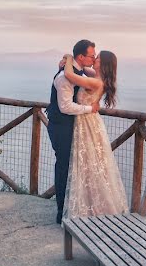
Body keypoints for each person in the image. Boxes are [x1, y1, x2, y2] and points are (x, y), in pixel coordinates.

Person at [61, 50, 129, 220]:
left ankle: (96, 209)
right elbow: (82, 69)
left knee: (91, 164)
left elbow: (70, 74)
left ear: (103, 63)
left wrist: (69, 57)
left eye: (97, 58)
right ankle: (93, 206)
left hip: (88, 123)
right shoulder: (98, 77)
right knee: (91, 165)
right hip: (89, 121)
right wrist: (67, 61)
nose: (94, 59)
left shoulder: (96, 82)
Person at [47, 39, 100, 224]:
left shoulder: (82, 71)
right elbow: (65, 107)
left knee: (73, 168)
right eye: (92, 55)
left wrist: (67, 57)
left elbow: (94, 74)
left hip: (74, 126)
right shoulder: (64, 77)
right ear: (81, 57)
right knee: (64, 167)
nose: (94, 58)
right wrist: (89, 109)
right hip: (61, 126)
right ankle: (61, 213)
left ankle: (73, 208)